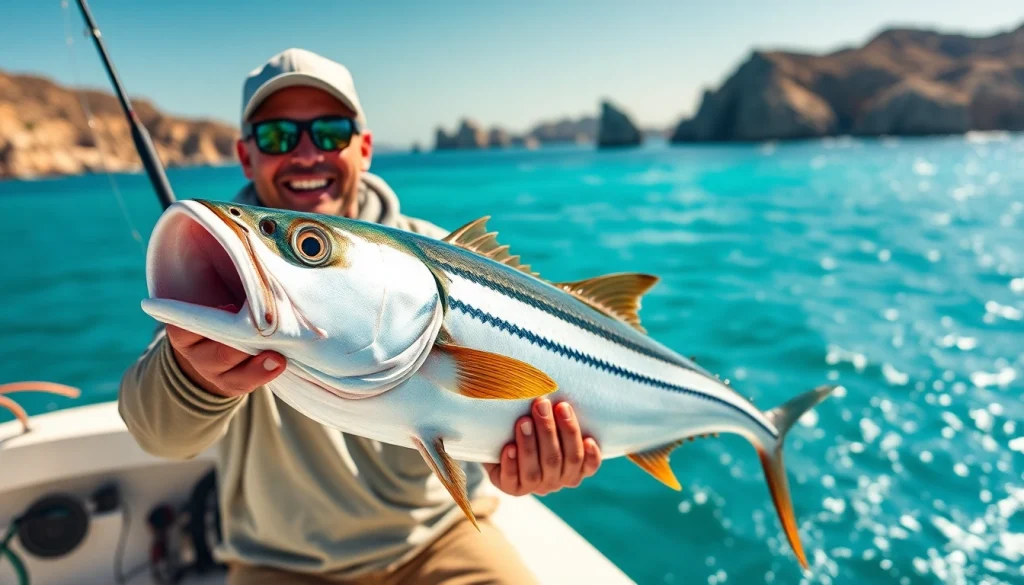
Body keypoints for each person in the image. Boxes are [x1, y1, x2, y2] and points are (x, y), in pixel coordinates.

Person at [118, 48, 603, 585]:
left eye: (330, 132)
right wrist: (195, 375)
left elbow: (507, 401)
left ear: (364, 148)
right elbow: (160, 436)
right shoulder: (227, 270)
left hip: (438, 542)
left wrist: (518, 459)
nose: (306, 154)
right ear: (245, 156)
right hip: (278, 564)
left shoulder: (444, 260)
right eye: (278, 137)